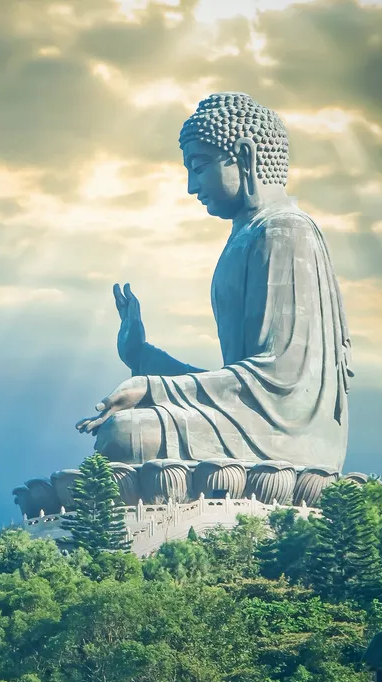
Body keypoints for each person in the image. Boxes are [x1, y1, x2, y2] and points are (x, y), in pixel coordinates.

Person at [75, 92, 352, 472]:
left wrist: (155, 388)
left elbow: (279, 381)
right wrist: (142, 357)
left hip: (286, 435)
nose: (192, 186)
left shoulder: (285, 231)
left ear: (245, 155)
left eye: (200, 166)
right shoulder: (246, 236)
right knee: (122, 432)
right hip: (250, 420)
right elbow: (241, 386)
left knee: (126, 435)